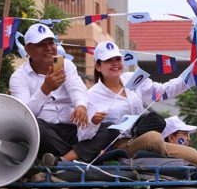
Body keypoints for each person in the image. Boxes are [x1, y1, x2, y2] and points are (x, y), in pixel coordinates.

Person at [9, 24, 119, 163]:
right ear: (28, 49)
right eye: (41, 45)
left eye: (51, 43)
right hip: (47, 133)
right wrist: (45, 90)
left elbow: (77, 88)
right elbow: (24, 116)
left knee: (111, 128)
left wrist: (80, 106)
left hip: (72, 129)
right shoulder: (19, 77)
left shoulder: (66, 65)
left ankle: (63, 160)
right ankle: (83, 157)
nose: (49, 48)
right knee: (35, 128)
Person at [80, 41, 197, 165]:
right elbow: (82, 136)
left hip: (142, 139)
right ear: (98, 66)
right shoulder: (91, 95)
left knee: (196, 156)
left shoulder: (131, 77)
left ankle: (164, 161)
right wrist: (93, 123)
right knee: (154, 138)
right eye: (108, 60)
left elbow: (164, 91)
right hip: (117, 146)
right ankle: (163, 165)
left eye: (118, 58)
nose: (115, 63)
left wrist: (194, 71)